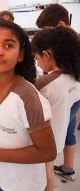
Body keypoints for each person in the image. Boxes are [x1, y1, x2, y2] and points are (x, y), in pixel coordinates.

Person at [0, 18, 56, 191]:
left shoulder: (27, 98)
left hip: (23, 185)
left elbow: (47, 152)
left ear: (21, 54)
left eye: (9, 45)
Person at [35, 3, 80, 183]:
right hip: (72, 95)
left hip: (68, 96)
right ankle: (68, 168)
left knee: (61, 130)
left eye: (49, 31)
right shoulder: (71, 48)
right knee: (66, 130)